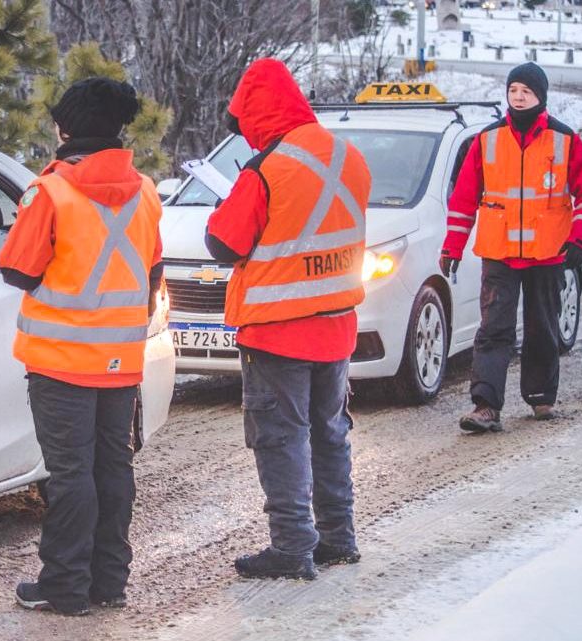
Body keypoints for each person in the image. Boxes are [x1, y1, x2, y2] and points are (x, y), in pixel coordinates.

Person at [0, 77, 163, 616]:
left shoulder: (49, 192)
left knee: (70, 476)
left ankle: (65, 586)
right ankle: (109, 582)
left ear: (65, 127)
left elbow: (17, 270)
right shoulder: (146, 191)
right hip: (122, 362)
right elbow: (152, 269)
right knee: (112, 470)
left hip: (60, 363)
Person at [206, 58, 370, 580]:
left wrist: (233, 196)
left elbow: (223, 242)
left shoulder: (266, 169)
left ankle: (294, 546)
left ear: (256, 114)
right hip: (338, 321)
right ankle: (338, 538)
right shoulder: (349, 156)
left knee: (280, 438)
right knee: (329, 433)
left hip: (278, 329)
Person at [440, 62, 582, 433]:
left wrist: (579, 240)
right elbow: (464, 199)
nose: (518, 97)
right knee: (493, 330)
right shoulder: (487, 139)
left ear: (539, 96)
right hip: (499, 253)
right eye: (513, 90)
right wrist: (452, 246)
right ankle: (485, 406)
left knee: (542, 327)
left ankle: (541, 397)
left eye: (525, 91)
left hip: (548, 253)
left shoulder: (564, 140)